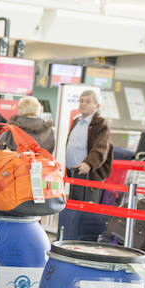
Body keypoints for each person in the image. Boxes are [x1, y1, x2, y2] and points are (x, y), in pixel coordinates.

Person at [60, 89, 113, 240]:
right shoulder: (77, 121)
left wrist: (89, 163)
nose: (83, 104)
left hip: (89, 174)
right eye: (81, 101)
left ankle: (84, 241)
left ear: (97, 105)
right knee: (73, 211)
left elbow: (101, 147)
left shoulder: (100, 123)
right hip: (74, 173)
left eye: (87, 101)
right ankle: (71, 239)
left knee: (86, 213)